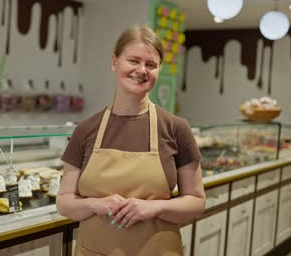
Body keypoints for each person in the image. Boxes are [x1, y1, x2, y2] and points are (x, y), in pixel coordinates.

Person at [56, 25, 205, 256]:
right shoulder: (85, 130)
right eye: (133, 61)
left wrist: (153, 208)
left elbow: (196, 201)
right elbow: (64, 202)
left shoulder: (176, 128)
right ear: (114, 62)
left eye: (151, 64)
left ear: (159, 69)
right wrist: (95, 204)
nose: (142, 70)